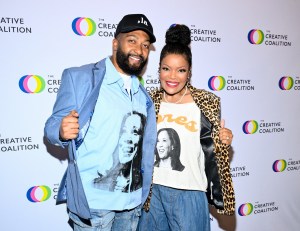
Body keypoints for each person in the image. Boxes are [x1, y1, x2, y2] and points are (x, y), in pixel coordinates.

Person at [44, 14, 157, 231]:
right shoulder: (80, 77)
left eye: (145, 45)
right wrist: (60, 130)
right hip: (94, 205)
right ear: (115, 43)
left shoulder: (143, 95)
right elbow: (52, 124)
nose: (139, 50)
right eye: (132, 40)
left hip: (132, 204)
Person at [138, 24, 235, 231]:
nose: (172, 77)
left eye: (180, 70)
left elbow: (212, 145)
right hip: (152, 194)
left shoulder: (206, 102)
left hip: (189, 192)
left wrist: (223, 139)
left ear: (189, 72)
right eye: (166, 68)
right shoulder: (149, 101)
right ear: (159, 70)